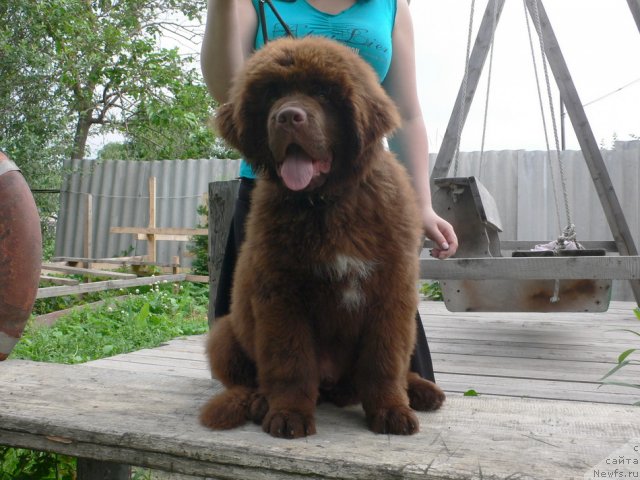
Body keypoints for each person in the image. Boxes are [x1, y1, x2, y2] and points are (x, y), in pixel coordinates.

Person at [201, 0, 458, 382]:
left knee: (392, 389)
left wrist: (422, 203)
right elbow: (231, 94)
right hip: (273, 200)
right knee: (266, 377)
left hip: (365, 199)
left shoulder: (390, 6)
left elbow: (407, 113)